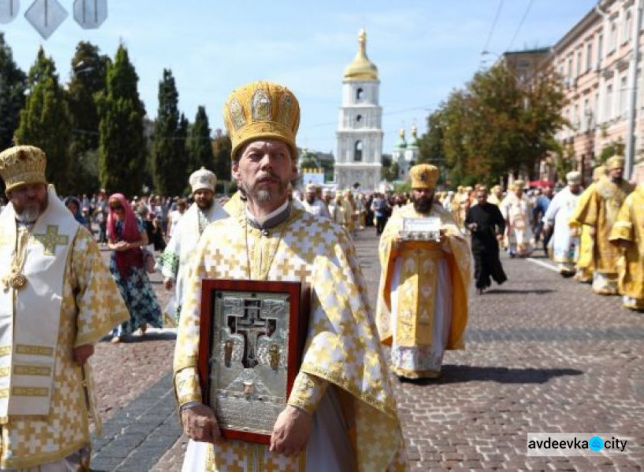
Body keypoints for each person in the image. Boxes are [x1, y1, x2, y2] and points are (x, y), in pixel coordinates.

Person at [174, 81, 407, 471]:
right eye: (255, 154)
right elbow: (191, 324)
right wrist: (189, 399)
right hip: (222, 420)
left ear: (293, 167)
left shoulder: (326, 239)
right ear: (236, 169)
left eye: (278, 155)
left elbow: (335, 329)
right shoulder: (214, 239)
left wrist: (300, 406)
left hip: (304, 423)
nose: (267, 163)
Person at [0, 145, 129, 470]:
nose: (30, 195)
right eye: (21, 190)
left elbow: (94, 286)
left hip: (59, 363)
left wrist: (86, 337)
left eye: (35, 187)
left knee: (57, 450)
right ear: (10, 194)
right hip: (2, 364)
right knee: (9, 444)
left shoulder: (74, 235)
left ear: (45, 187)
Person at [375, 164, 471, 379]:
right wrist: (395, 241)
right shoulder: (400, 214)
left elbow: (461, 245)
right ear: (412, 191)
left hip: (435, 275)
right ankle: (404, 364)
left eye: (426, 191)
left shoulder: (443, 215)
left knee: (434, 316)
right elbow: (384, 243)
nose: (422, 195)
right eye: (419, 190)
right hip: (405, 275)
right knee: (404, 315)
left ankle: (429, 364)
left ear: (433, 192)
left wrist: (447, 240)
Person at [159, 168, 228, 324]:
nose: (202, 196)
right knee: (188, 320)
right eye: (198, 193)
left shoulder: (225, 219)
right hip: (188, 277)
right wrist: (169, 275)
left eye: (205, 192)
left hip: (215, 277)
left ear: (212, 192)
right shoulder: (185, 220)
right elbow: (174, 246)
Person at [570, 156, 635, 294]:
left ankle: (620, 284)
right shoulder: (599, 187)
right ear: (610, 170)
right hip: (604, 227)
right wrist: (592, 225)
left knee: (621, 255)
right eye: (616, 169)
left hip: (623, 228)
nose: (619, 171)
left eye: (621, 169)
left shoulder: (628, 187)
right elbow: (592, 207)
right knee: (603, 254)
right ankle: (603, 284)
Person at [107, 193, 162, 342]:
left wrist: (129, 246)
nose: (116, 210)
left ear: (125, 205)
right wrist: (115, 246)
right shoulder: (111, 220)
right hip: (117, 263)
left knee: (137, 295)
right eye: (113, 207)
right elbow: (109, 242)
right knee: (119, 296)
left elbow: (144, 240)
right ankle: (119, 332)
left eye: (119, 207)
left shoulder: (135, 220)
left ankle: (142, 322)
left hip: (134, 264)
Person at [465, 187, 507, 293]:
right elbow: (466, 222)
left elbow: (501, 222)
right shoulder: (472, 210)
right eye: (479, 197)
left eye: (483, 196)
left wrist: (500, 233)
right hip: (477, 242)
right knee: (479, 264)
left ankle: (487, 280)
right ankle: (480, 285)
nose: (481, 199)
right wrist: (469, 226)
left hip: (490, 241)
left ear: (486, 197)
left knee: (491, 262)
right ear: (476, 197)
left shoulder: (493, 209)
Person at [610, 182, 644, 310]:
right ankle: (634, 297)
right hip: (637, 244)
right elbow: (624, 218)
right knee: (636, 270)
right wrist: (623, 236)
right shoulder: (633, 198)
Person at [570, 165, 607, 283]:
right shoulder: (592, 190)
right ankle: (585, 272)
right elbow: (581, 208)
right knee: (588, 249)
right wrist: (574, 223)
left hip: (603, 226)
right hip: (590, 225)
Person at [543, 172, 583, 276]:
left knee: (578, 246)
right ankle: (563, 266)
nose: (574, 188)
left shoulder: (585, 194)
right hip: (563, 228)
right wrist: (547, 222)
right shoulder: (560, 195)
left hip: (579, 227)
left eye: (576, 186)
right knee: (564, 244)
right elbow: (551, 210)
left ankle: (576, 266)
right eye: (572, 186)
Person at [500, 180, 534, 257]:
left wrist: (531, 217)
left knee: (524, 236)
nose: (519, 192)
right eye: (517, 190)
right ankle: (513, 251)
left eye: (520, 190)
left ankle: (523, 251)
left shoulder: (525, 198)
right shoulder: (509, 199)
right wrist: (504, 217)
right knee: (513, 236)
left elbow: (529, 209)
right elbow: (504, 208)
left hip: (524, 220)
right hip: (513, 221)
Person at [533, 185, 554, 257]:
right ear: (544, 191)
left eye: (550, 190)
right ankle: (546, 249)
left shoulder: (556, 198)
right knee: (546, 236)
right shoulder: (541, 199)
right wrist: (535, 220)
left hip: (555, 221)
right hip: (544, 220)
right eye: (547, 190)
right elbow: (536, 211)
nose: (549, 192)